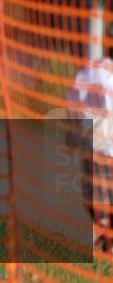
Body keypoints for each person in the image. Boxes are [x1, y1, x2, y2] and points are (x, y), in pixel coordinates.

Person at [64, 56, 113, 252]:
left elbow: (71, 104)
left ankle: (106, 239)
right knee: (94, 197)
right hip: (97, 144)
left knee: (93, 196)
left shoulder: (92, 69)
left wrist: (70, 136)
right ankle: (106, 238)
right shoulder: (97, 71)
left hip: (95, 144)